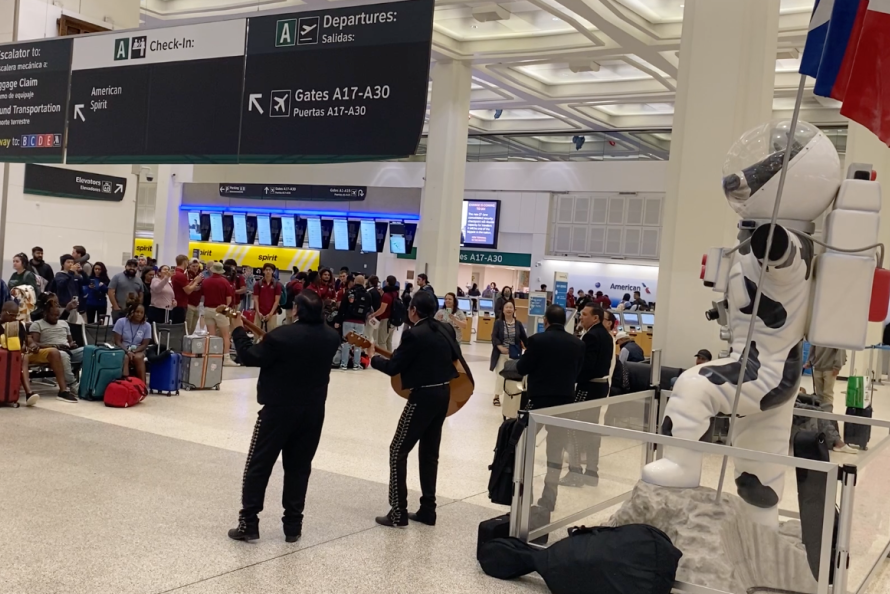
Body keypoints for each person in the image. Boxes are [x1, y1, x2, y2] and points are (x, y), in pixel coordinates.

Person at [227, 290, 341, 543]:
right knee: (299, 467)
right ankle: (293, 526)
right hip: (313, 411)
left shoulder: (282, 336)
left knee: (259, 464)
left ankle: (249, 522)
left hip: (278, 409)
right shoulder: (332, 337)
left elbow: (248, 356)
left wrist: (237, 330)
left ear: (297, 311)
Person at [366, 291, 472, 528]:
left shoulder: (414, 334)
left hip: (422, 397)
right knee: (429, 453)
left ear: (413, 310)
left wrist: (372, 358)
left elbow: (394, 367)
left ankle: (398, 512)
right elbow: (456, 357)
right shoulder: (445, 328)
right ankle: (428, 510)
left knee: (397, 450)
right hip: (444, 394)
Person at [514, 305, 585, 511]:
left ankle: (525, 495)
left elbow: (522, 367)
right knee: (555, 451)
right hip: (564, 403)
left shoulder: (537, 340)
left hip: (537, 401)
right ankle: (549, 498)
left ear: (545, 321)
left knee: (525, 446)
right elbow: (578, 372)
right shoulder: (577, 344)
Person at [561, 303, 614, 487]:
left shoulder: (591, 336)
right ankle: (592, 472)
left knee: (573, 429)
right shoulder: (606, 335)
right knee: (591, 428)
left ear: (595, 318)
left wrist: (571, 376)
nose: (581, 317)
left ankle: (575, 472)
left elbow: (588, 366)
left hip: (588, 388)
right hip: (600, 387)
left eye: (584, 314)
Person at [0, 301, 69, 406]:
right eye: (12, 315)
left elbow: (28, 339)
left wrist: (32, 345)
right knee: (24, 358)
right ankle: (29, 393)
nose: (14, 318)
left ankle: (63, 391)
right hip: (9, 357)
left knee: (53, 352)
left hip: (24, 353)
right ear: (4, 312)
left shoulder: (18, 324)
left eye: (16, 315)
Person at [29, 303, 82, 403]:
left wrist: (71, 344)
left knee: (90, 351)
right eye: (52, 315)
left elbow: (70, 341)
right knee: (62, 354)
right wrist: (53, 346)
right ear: (45, 313)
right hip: (52, 352)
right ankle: (73, 384)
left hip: (68, 350)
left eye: (57, 315)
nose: (55, 318)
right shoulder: (37, 324)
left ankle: (90, 384)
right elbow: (34, 343)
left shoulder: (64, 323)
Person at [490, 300, 527, 409]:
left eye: (511, 307)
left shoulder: (518, 324)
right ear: (503, 310)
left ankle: (512, 395)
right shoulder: (498, 323)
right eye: (507, 307)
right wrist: (499, 347)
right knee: (500, 376)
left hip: (514, 354)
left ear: (514, 310)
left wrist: (529, 347)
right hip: (500, 354)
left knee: (512, 376)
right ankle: (496, 396)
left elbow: (524, 338)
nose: (509, 309)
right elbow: (494, 337)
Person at [202, 262, 236, 365]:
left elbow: (203, 296)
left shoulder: (206, 281)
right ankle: (226, 358)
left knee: (211, 335)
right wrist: (224, 307)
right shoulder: (225, 282)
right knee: (226, 335)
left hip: (208, 309)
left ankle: (212, 356)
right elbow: (229, 299)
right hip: (221, 309)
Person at [112, 298, 152, 383]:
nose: (139, 314)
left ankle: (142, 385)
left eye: (142, 313)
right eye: (137, 312)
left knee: (138, 357)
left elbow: (144, 344)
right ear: (132, 312)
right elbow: (117, 341)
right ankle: (126, 383)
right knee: (125, 357)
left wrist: (134, 351)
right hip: (122, 348)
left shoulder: (147, 326)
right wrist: (127, 351)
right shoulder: (121, 322)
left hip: (138, 350)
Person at [335, 274, 370, 371]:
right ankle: (356, 364)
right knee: (358, 343)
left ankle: (344, 364)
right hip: (360, 322)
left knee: (346, 342)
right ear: (364, 282)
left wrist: (338, 320)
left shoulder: (349, 292)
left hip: (348, 320)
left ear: (354, 281)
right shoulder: (367, 294)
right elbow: (368, 308)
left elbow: (342, 308)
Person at [805, 346, 846, 410]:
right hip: (817, 367)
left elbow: (840, 350)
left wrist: (837, 366)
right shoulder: (816, 336)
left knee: (827, 393)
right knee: (819, 394)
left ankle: (827, 415)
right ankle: (820, 413)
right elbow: (813, 348)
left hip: (830, 369)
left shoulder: (836, 337)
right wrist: (809, 361)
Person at [370, 275, 398, 351]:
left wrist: (373, 315)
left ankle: (384, 359)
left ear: (387, 282)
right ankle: (390, 358)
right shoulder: (395, 293)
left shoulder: (386, 295)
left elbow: (382, 310)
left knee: (381, 341)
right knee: (389, 341)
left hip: (386, 320)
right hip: (393, 320)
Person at [254, 264, 283, 333]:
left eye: (270, 270)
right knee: (257, 333)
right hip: (259, 314)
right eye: (266, 270)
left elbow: (277, 301)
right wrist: (258, 312)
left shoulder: (277, 285)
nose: (268, 271)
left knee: (271, 334)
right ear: (263, 271)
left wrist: (270, 314)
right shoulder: (258, 284)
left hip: (272, 314)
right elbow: (255, 299)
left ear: (273, 271)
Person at [169, 255, 191, 325]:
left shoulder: (175, 273)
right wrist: (196, 281)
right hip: (180, 304)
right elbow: (188, 291)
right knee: (178, 325)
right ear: (185, 262)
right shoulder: (180, 275)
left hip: (175, 303)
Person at [184, 260, 204, 334]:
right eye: (193, 266)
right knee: (188, 326)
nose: (195, 268)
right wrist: (193, 285)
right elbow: (186, 287)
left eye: (196, 266)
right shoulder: (186, 275)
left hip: (197, 304)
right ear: (189, 266)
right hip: (189, 303)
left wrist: (200, 287)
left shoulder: (200, 275)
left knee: (193, 327)